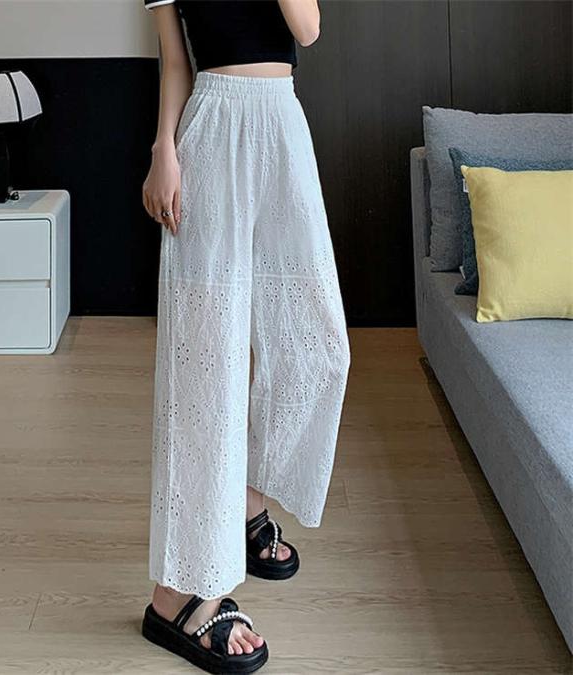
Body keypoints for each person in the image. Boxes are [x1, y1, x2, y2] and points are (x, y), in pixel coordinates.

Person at [140, 1, 351, 672]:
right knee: (206, 360)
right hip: (210, 128)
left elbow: (307, 30)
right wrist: (164, 151)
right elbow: (176, 61)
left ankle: (244, 499)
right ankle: (182, 589)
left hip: (281, 123)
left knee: (320, 344)